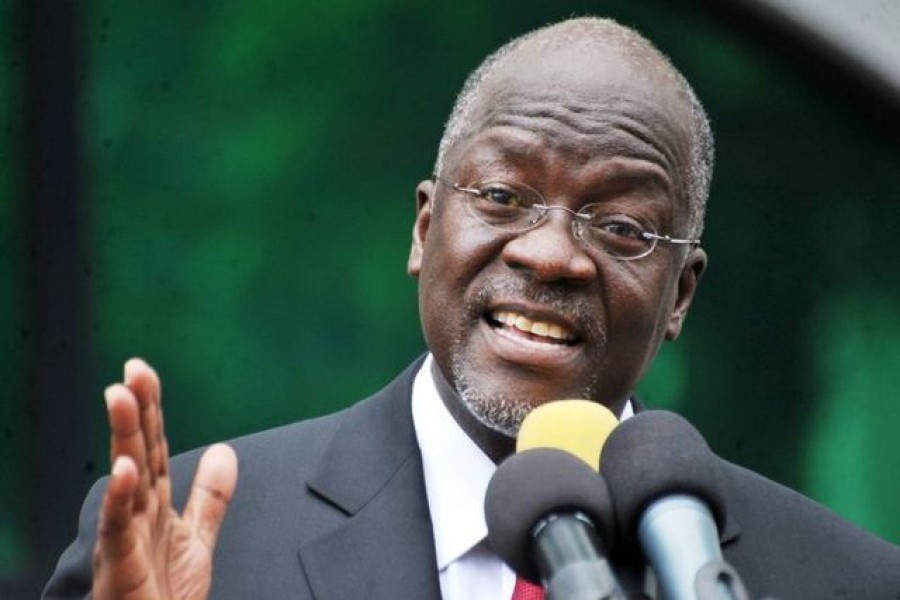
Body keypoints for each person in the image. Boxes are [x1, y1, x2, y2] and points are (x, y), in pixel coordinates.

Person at [43, 16, 900, 600]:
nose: (550, 253)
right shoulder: (201, 546)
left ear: (680, 294)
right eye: (500, 194)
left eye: (621, 226)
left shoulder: (839, 580)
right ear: (425, 228)